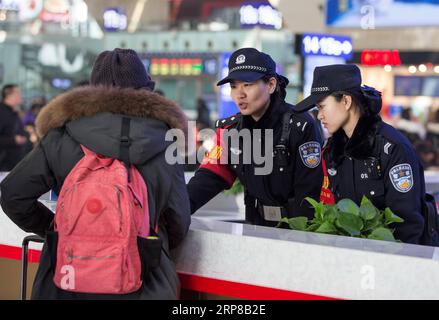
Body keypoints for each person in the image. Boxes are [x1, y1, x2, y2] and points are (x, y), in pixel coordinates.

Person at [0, 48, 191, 299]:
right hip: (145, 283)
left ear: (91, 90)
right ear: (147, 90)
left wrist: (59, 228)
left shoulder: (61, 136)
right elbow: (179, 219)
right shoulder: (166, 141)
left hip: (66, 280)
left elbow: (13, 195)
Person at [187, 48, 323, 226]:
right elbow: (210, 177)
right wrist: (173, 211)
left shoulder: (300, 126)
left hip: (297, 229)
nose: (239, 94)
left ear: (271, 85)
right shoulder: (231, 130)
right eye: (234, 86)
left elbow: (309, 192)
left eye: (247, 84)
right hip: (255, 227)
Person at [294, 64, 426, 244]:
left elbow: (408, 227)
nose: (319, 116)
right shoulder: (334, 150)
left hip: (392, 261)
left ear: (346, 101)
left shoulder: (392, 148)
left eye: (322, 107)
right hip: (351, 261)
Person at [0, 84, 28, 171]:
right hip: (3, 164)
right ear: (8, 95)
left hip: (13, 164)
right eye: (18, 93)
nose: (20, 96)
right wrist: (13, 140)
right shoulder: (2, 112)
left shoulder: (13, 112)